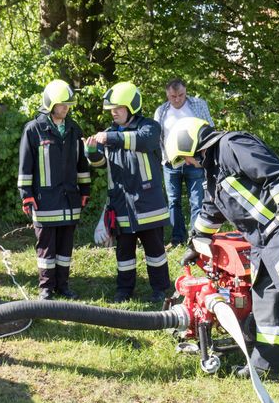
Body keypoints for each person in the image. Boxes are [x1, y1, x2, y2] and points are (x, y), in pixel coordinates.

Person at [166, 117, 279, 403]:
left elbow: (276, 175)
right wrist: (196, 243)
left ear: (193, 144)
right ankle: (268, 364)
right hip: (267, 243)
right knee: (267, 303)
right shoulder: (213, 169)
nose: (187, 163)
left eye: (185, 157)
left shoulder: (232, 145)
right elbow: (211, 209)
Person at [86, 82, 170, 303]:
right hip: (121, 203)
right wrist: (92, 152)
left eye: (118, 108)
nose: (114, 113)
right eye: (111, 110)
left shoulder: (149, 127)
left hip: (148, 204)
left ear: (132, 107)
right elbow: (100, 163)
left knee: (155, 252)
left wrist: (111, 138)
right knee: (124, 254)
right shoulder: (109, 133)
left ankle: (160, 289)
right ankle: (124, 290)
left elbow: (142, 141)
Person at [18, 79, 91, 300]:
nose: (66, 107)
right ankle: (46, 288)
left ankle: (63, 285)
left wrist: (85, 190)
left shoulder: (73, 129)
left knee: (65, 248)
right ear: (50, 103)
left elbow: (82, 163)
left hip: (69, 199)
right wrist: (27, 195)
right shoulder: (34, 129)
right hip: (44, 200)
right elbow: (25, 166)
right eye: (62, 104)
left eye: (68, 104)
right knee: (46, 248)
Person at [153, 79, 215, 248]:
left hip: (194, 162)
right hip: (170, 163)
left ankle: (195, 239)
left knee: (197, 201)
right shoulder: (161, 111)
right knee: (173, 202)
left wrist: (203, 158)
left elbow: (209, 130)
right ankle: (177, 239)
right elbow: (157, 138)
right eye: (173, 96)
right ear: (167, 95)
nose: (177, 99)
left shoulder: (198, 105)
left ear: (186, 91)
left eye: (181, 95)